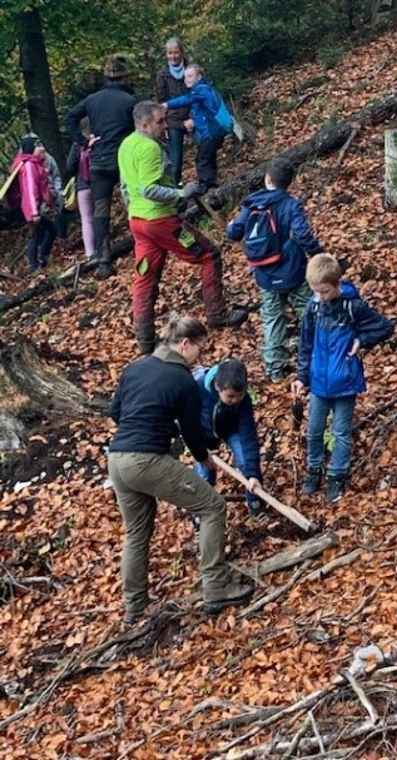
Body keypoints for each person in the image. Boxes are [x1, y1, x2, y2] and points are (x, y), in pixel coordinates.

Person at [108, 314, 254, 624]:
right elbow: (191, 431)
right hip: (145, 459)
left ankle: (135, 607)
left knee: (136, 533)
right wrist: (203, 457)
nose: (199, 357)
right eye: (199, 350)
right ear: (184, 344)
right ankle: (216, 586)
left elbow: (115, 412)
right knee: (213, 506)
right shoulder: (182, 378)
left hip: (117, 458)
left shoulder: (136, 368)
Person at [118, 100, 248, 354]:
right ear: (144, 124)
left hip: (139, 223)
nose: (164, 126)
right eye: (159, 122)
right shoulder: (148, 148)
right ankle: (217, 314)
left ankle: (144, 340)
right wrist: (181, 193)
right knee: (209, 255)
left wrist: (133, 211)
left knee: (145, 277)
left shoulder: (126, 145)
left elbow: (126, 186)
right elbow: (149, 189)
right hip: (161, 221)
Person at [292, 254, 394, 503]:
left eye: (325, 291)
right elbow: (305, 345)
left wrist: (361, 341)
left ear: (337, 284)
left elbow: (384, 327)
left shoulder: (352, 306)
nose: (321, 297)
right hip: (317, 383)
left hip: (345, 383)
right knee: (314, 431)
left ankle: (337, 475)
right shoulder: (313, 308)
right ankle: (314, 470)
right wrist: (301, 377)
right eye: (316, 292)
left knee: (340, 432)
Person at [227, 157, 322, 381]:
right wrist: (318, 254)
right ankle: (319, 353)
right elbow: (302, 234)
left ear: (267, 179)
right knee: (309, 311)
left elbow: (233, 234)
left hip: (264, 273)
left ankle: (274, 368)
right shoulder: (290, 204)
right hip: (293, 271)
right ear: (289, 182)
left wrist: (232, 226)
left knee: (272, 318)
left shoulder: (251, 204)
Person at [66, 54, 136, 278]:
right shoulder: (129, 101)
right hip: (124, 160)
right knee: (134, 201)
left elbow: (70, 118)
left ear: (106, 77)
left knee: (100, 211)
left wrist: (84, 142)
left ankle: (103, 259)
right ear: (124, 77)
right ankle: (144, 241)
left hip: (99, 162)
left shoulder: (92, 100)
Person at [193, 359, 264, 516]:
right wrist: (198, 446)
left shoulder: (243, 400)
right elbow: (187, 420)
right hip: (203, 433)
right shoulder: (197, 389)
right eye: (230, 396)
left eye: (240, 395)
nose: (235, 400)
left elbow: (248, 434)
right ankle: (200, 514)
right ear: (218, 387)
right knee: (204, 474)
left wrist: (252, 474)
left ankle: (256, 502)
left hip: (231, 429)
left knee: (246, 462)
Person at [163, 64, 232, 196]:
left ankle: (205, 184)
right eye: (185, 77)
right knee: (209, 156)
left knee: (202, 159)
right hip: (214, 131)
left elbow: (186, 99)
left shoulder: (201, 90)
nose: (186, 79)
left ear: (199, 76)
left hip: (211, 132)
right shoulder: (204, 89)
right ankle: (211, 182)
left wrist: (167, 104)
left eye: (190, 76)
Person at [8, 134, 56, 272]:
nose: (42, 149)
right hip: (32, 207)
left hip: (35, 206)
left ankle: (39, 260)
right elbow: (30, 189)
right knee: (38, 234)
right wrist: (34, 212)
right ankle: (35, 265)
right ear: (31, 149)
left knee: (45, 232)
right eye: (38, 146)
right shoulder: (29, 166)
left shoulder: (35, 163)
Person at [156, 37, 190, 185]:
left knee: (206, 147)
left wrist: (193, 117)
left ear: (181, 52)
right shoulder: (162, 74)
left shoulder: (191, 69)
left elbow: (199, 94)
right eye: (170, 53)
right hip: (173, 120)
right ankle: (175, 192)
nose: (173, 56)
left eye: (176, 52)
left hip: (193, 116)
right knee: (175, 161)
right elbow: (161, 101)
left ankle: (207, 184)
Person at [65, 130, 98, 260]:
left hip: (83, 185)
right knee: (100, 216)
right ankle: (102, 246)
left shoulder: (77, 144)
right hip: (99, 183)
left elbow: (70, 166)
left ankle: (90, 252)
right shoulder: (99, 139)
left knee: (86, 219)